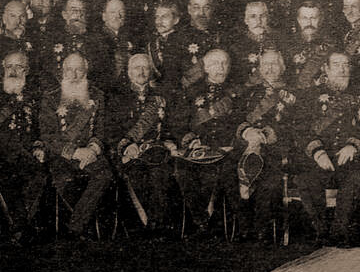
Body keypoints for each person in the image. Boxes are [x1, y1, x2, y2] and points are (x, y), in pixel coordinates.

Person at [295, 51, 360, 244]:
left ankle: (340, 232)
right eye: (336, 65)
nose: (342, 69)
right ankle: (321, 232)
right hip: (318, 158)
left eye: (345, 65)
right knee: (306, 179)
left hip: (348, 158)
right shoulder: (310, 96)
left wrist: (353, 145)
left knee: (355, 178)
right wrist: (318, 152)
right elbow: (300, 129)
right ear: (326, 69)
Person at [37, 53, 112, 239]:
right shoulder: (51, 97)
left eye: (79, 70)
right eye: (69, 70)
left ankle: (75, 227)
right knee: (64, 181)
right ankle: (79, 226)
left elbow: (101, 131)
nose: (74, 74)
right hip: (62, 155)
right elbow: (48, 135)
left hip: (90, 153)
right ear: (63, 72)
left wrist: (93, 149)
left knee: (105, 174)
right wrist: (76, 152)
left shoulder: (97, 95)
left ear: (86, 71)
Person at [173, 48, 245, 235]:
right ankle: (201, 221)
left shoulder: (238, 93)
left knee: (223, 172)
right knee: (182, 170)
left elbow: (243, 123)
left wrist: (232, 143)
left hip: (227, 149)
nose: (220, 68)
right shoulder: (190, 92)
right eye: (214, 63)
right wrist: (192, 141)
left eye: (224, 63)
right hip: (198, 148)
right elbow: (179, 125)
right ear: (204, 67)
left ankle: (224, 224)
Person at [106, 53, 175, 234]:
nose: (142, 72)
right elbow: (111, 131)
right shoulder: (117, 98)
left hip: (157, 152)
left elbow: (170, 127)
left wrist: (169, 142)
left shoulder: (161, 97)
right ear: (129, 72)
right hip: (129, 153)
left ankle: (157, 225)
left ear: (151, 71)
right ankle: (141, 226)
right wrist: (126, 145)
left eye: (145, 68)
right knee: (137, 175)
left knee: (160, 174)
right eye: (137, 68)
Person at [235, 49, 297, 241]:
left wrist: (267, 135)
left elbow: (297, 125)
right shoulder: (249, 92)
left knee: (269, 179)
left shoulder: (294, 94)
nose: (270, 68)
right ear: (259, 68)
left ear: (283, 67)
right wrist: (247, 132)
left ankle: (261, 229)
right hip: (246, 146)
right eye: (266, 64)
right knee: (231, 172)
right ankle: (242, 227)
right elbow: (235, 118)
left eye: (274, 63)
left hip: (275, 149)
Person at [0, 50, 47, 243]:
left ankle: (20, 225)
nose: (13, 70)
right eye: (9, 66)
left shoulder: (34, 97)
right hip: (2, 153)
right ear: (3, 68)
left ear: (26, 70)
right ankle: (19, 228)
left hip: (27, 153)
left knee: (39, 174)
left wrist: (39, 146)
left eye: (18, 66)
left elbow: (40, 128)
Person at [227, 1, 283, 84]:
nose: (259, 21)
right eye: (253, 16)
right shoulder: (236, 43)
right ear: (246, 20)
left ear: (267, 19)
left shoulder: (278, 40)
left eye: (262, 16)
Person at [281, 1, 332, 91]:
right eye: (304, 18)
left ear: (320, 19)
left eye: (313, 18)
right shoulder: (287, 45)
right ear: (298, 20)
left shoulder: (330, 44)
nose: (309, 23)